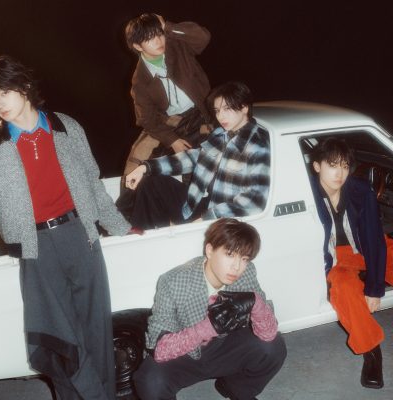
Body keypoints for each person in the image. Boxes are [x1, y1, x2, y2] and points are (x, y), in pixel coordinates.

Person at [0, 55, 131, 400]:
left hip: (79, 235)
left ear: (24, 87)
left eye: (3, 92)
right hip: (35, 247)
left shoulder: (65, 126)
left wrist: (120, 226)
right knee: (58, 339)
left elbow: (93, 183)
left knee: (96, 330)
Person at [134, 218, 286, 399]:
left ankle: (235, 388)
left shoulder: (246, 273)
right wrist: (207, 328)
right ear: (210, 250)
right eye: (229, 254)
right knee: (149, 380)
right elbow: (161, 350)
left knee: (274, 347)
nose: (237, 267)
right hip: (185, 354)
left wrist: (256, 303)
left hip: (226, 348)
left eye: (244, 258)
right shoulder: (173, 281)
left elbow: (268, 333)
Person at [125, 81, 270, 229]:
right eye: (217, 110)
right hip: (199, 204)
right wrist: (145, 167)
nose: (220, 116)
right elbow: (194, 158)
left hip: (222, 221)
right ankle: (146, 234)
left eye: (227, 109)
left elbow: (254, 202)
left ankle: (161, 236)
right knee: (150, 182)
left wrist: (206, 219)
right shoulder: (221, 134)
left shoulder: (258, 147)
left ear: (244, 107)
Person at [310, 137, 393, 389]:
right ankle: (372, 351)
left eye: (345, 166)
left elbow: (373, 238)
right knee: (345, 289)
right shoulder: (306, 193)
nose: (340, 173)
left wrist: (374, 288)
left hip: (364, 247)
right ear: (317, 166)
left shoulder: (360, 190)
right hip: (336, 259)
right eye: (332, 165)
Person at [123, 13, 212, 177]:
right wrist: (173, 140)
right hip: (173, 122)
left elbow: (203, 37)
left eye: (159, 34)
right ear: (137, 46)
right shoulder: (139, 80)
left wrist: (168, 27)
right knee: (140, 163)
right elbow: (147, 119)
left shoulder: (177, 46)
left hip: (203, 111)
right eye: (150, 38)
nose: (158, 41)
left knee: (205, 160)